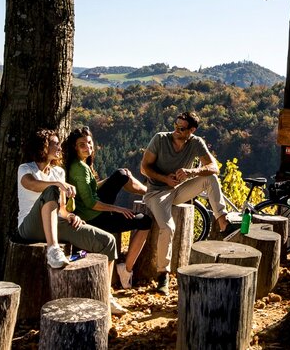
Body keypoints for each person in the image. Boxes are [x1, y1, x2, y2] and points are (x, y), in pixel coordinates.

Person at [16, 128, 127, 315]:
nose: (59, 147)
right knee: (50, 190)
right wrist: (57, 185)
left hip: (56, 224)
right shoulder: (26, 169)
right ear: (43, 147)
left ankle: (106, 296)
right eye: (54, 143)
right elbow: (30, 184)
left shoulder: (58, 172)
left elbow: (60, 209)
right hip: (29, 227)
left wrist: (71, 216)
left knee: (108, 242)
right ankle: (53, 250)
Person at [140, 111, 233, 294]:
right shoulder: (160, 139)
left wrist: (192, 172)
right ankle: (163, 275)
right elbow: (144, 168)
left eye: (181, 128)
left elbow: (214, 168)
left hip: (179, 190)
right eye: (175, 125)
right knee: (168, 228)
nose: (176, 130)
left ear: (192, 130)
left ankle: (223, 223)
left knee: (211, 179)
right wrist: (164, 179)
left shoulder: (196, 143)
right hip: (157, 192)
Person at [62, 126, 152, 290]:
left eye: (89, 143)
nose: (88, 147)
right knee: (145, 221)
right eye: (82, 144)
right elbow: (91, 203)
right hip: (95, 219)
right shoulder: (79, 169)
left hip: (94, 213)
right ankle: (126, 269)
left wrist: (110, 179)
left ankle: (149, 192)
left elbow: (91, 189)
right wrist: (118, 209)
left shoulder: (80, 164)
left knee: (122, 174)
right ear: (74, 147)